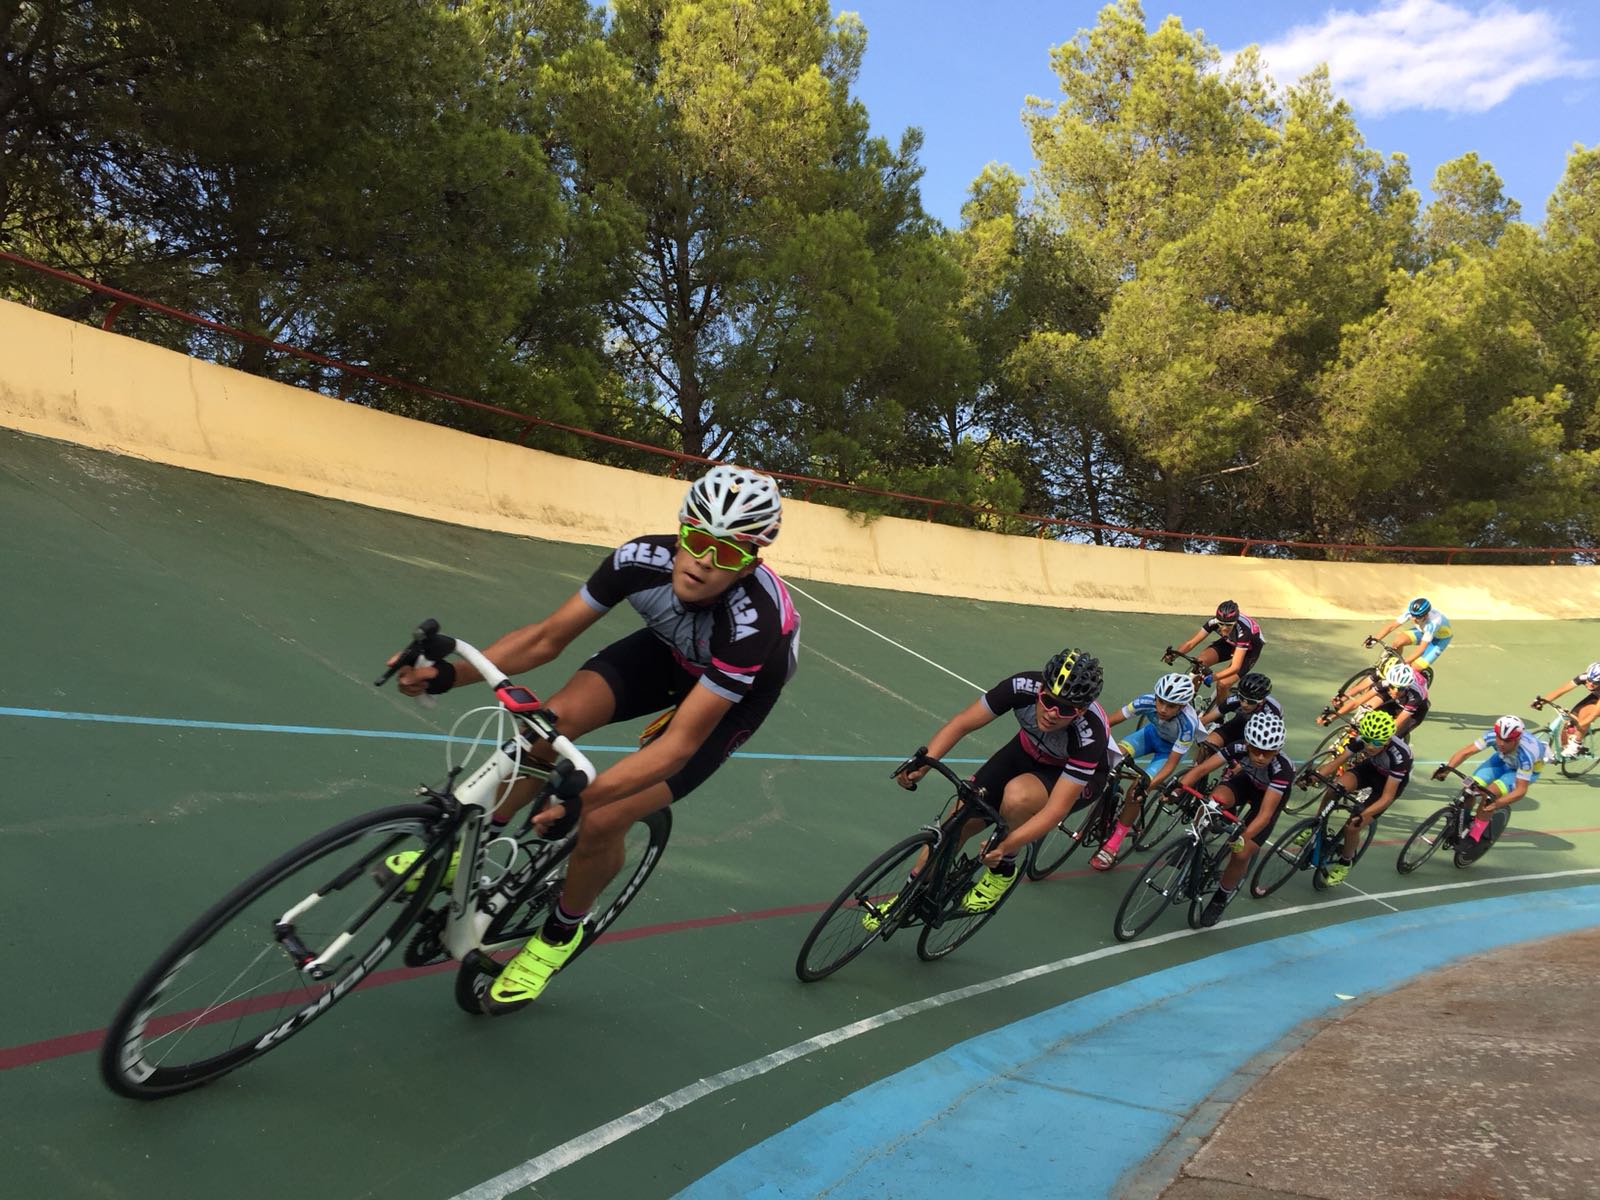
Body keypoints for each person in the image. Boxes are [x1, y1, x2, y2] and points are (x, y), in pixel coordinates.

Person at [386, 464, 799, 1014]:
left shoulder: (754, 622)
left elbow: (678, 745)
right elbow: (544, 638)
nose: (702, 561)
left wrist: (585, 797)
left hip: (728, 698)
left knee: (604, 818)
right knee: (547, 723)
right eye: (696, 540)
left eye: (726, 554)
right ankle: (471, 847)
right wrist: (447, 675)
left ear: (751, 561)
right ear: (680, 530)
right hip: (665, 651)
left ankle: (560, 935)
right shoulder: (639, 560)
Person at [890, 649, 1114, 914]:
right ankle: (906, 895)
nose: (1052, 713)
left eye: (1066, 709)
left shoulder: (1090, 734)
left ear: (1083, 709)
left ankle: (1004, 869)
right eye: (1048, 700)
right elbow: (963, 723)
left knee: (1017, 796)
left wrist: (1007, 846)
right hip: (1026, 750)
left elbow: (1056, 811)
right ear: (1040, 688)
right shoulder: (1021, 687)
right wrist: (924, 762)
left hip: (1071, 776)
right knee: (959, 818)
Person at [1184, 710, 1293, 928]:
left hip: (1267, 798)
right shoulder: (1238, 747)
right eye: (1256, 750)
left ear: (1277, 749)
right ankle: (1193, 843)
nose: (1261, 757)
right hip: (1246, 783)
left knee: (1241, 853)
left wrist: (1243, 837)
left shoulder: (1283, 770)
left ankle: (1220, 898)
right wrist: (1179, 787)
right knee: (1212, 802)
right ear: (1248, 743)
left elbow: (1264, 815)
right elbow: (1203, 768)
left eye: (1268, 752)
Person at [1092, 673, 1202, 869]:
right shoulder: (1146, 701)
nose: (1162, 709)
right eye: (1160, 702)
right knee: (1111, 755)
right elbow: (1109, 721)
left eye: (1171, 706)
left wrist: (1148, 787)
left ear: (1183, 706)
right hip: (1149, 736)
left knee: (1136, 792)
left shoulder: (1188, 724)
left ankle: (1113, 844)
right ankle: (1105, 800)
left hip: (1167, 753)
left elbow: (1170, 765)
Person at [1306, 709, 1414, 886]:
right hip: (1370, 769)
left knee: (1353, 825)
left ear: (1387, 740)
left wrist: (1363, 815)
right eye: (1367, 740)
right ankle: (1316, 823)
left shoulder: (1400, 757)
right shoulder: (1362, 739)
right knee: (1335, 788)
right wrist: (1314, 776)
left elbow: (1387, 798)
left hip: (1388, 783)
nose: (1370, 746)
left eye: (1376, 742)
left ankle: (1345, 862)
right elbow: (1336, 762)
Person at [1434, 715, 1548, 844]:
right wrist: (1447, 770)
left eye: (1507, 741)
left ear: (1516, 740)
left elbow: (1520, 790)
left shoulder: (1526, 756)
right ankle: (1461, 822)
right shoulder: (1492, 735)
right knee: (1470, 787)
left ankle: (1474, 836)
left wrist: (1497, 804)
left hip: (1520, 771)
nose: (1501, 743)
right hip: (1501, 760)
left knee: (1489, 796)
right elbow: (1466, 752)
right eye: (1499, 738)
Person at [1165, 599, 1264, 708]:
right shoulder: (1213, 622)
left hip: (1249, 650)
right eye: (1221, 624)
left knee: (1222, 684)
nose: (1224, 628)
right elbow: (1191, 643)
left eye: (1229, 625)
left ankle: (1219, 719)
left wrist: (1213, 677)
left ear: (1235, 622)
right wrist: (1174, 655)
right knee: (1199, 663)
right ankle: (1189, 702)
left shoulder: (1244, 631)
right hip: (1230, 642)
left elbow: (1235, 667)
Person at [1318, 660, 1431, 738]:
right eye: (1392, 686)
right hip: (1396, 700)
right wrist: (1332, 717)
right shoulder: (1386, 683)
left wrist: (1378, 738)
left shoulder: (1416, 696)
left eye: (1399, 688)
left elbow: (1397, 723)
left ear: (1406, 686)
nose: (1395, 691)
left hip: (1414, 711)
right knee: (1366, 710)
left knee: (1389, 738)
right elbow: (1357, 702)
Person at [1199, 671, 1281, 753]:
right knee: (1206, 746)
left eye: (1250, 701)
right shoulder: (1234, 700)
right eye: (1241, 698)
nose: (1244, 704)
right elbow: (1204, 720)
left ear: (1261, 701)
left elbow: (1274, 745)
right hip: (1238, 725)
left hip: (1258, 736)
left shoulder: (1272, 713)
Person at [1534, 661, 1600, 757]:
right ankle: (1564, 752)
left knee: (1585, 715)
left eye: (1595, 683)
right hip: (1596, 696)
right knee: (1569, 722)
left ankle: (1576, 745)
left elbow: (1594, 714)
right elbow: (1561, 690)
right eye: (1589, 680)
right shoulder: (1583, 677)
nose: (1590, 684)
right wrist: (1542, 701)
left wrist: (1579, 727)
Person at [1369, 596, 1453, 670]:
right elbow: (1392, 626)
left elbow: (1421, 649)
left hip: (1438, 641)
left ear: (1426, 616)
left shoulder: (1433, 623)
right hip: (1423, 632)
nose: (1413, 619)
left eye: (1417, 617)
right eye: (1412, 615)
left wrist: (1404, 663)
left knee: (1414, 667)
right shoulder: (1413, 610)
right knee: (1398, 642)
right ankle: (1394, 665)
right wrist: (1374, 639)